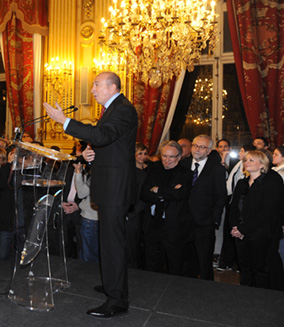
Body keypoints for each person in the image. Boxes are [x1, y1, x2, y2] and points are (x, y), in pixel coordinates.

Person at [44, 71, 137, 318]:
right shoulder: (113, 109)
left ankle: (117, 299)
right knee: (107, 241)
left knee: (112, 243)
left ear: (112, 86)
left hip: (115, 188)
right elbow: (109, 144)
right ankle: (111, 285)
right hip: (109, 186)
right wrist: (91, 155)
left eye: (96, 85)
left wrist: (65, 121)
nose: (93, 90)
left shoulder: (123, 109)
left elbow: (102, 135)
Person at [230, 150, 284, 289]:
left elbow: (267, 211)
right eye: (246, 160)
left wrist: (244, 229)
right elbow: (234, 208)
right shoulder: (242, 183)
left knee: (261, 268)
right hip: (240, 233)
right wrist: (235, 227)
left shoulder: (271, 182)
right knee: (244, 267)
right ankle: (246, 296)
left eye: (251, 160)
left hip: (261, 233)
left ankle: (261, 300)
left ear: (262, 164)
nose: (247, 162)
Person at [141, 141, 192, 275]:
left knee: (174, 266)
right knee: (151, 264)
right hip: (152, 224)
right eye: (164, 156)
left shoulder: (186, 173)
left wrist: (157, 190)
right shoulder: (153, 170)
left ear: (179, 157)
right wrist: (167, 193)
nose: (167, 160)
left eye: (171, 157)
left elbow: (180, 194)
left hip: (174, 226)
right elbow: (144, 193)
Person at [181, 134, 227, 281]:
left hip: (205, 222)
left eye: (202, 147)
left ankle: (207, 292)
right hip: (183, 220)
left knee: (204, 260)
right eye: (195, 145)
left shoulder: (216, 169)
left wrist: (214, 219)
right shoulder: (182, 164)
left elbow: (221, 196)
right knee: (185, 258)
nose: (197, 149)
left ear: (208, 151)